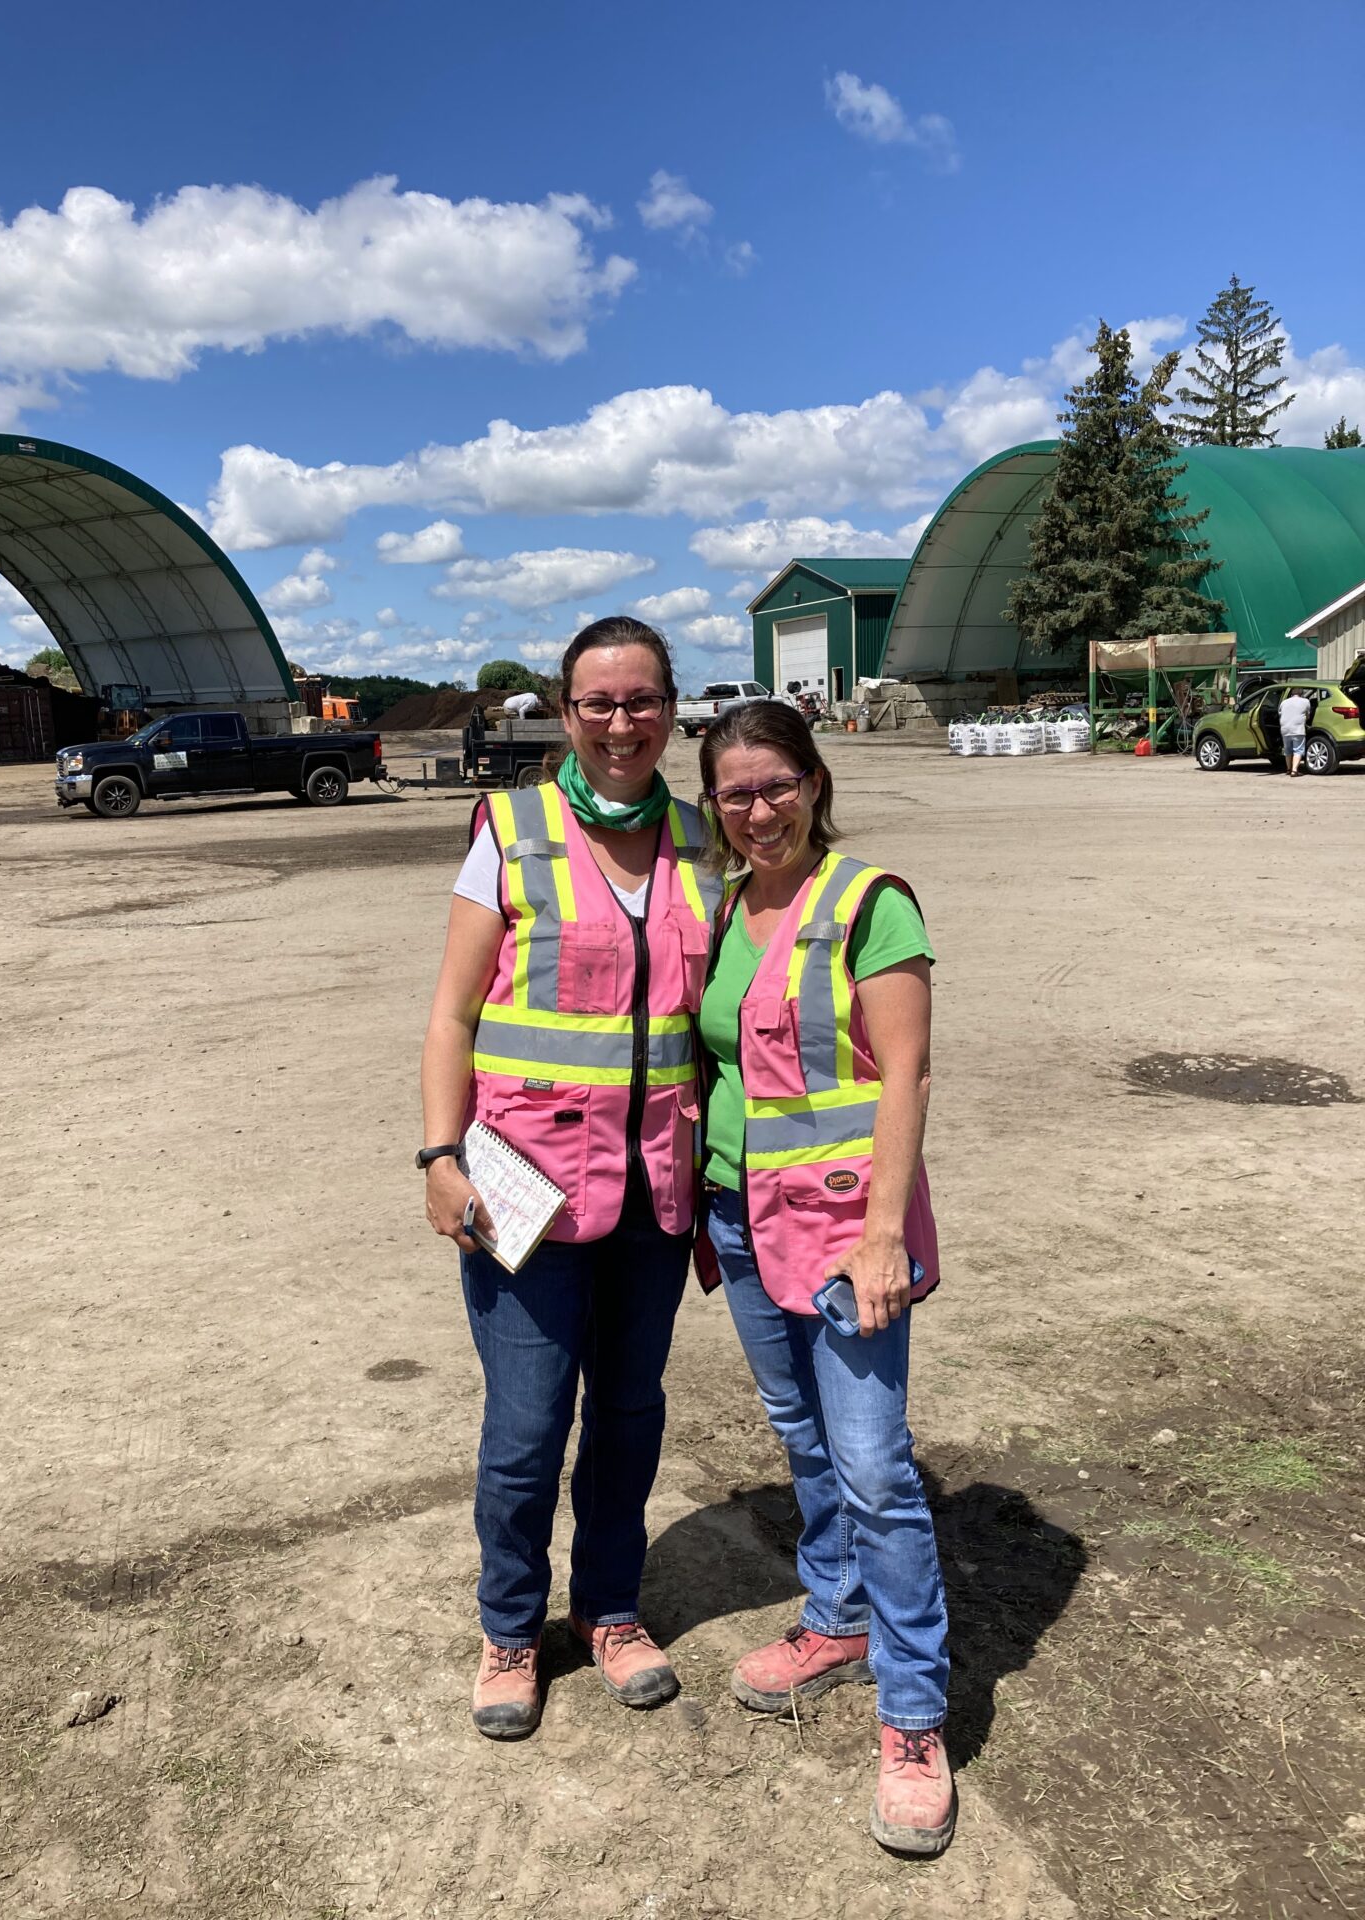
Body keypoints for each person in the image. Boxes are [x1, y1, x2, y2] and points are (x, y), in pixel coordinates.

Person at [420, 617, 722, 1740]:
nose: (620, 723)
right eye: (598, 703)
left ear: (671, 708)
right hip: (523, 1194)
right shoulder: (512, 829)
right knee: (528, 1425)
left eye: (641, 700)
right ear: (564, 710)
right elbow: (452, 1013)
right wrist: (439, 1157)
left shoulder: (702, 844)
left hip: (652, 1189)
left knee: (631, 1414)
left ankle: (608, 1608)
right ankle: (510, 1628)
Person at [693, 700, 954, 1858]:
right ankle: (837, 1616)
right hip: (745, 1222)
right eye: (735, 794)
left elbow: (906, 1075)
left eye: (776, 785)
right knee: (802, 1438)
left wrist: (885, 1230)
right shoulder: (728, 909)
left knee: (875, 1467)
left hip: (849, 1233)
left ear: (814, 779)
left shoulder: (870, 902)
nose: (759, 811)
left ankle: (914, 1716)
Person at [1279, 686, 1312, 776]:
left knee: (1287, 750)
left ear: (1291, 694)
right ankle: (1294, 770)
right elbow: (1308, 715)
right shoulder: (1305, 701)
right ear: (1302, 694)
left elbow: (1280, 713)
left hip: (1285, 729)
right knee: (1298, 750)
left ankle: (1289, 769)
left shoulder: (1284, 702)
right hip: (1298, 729)